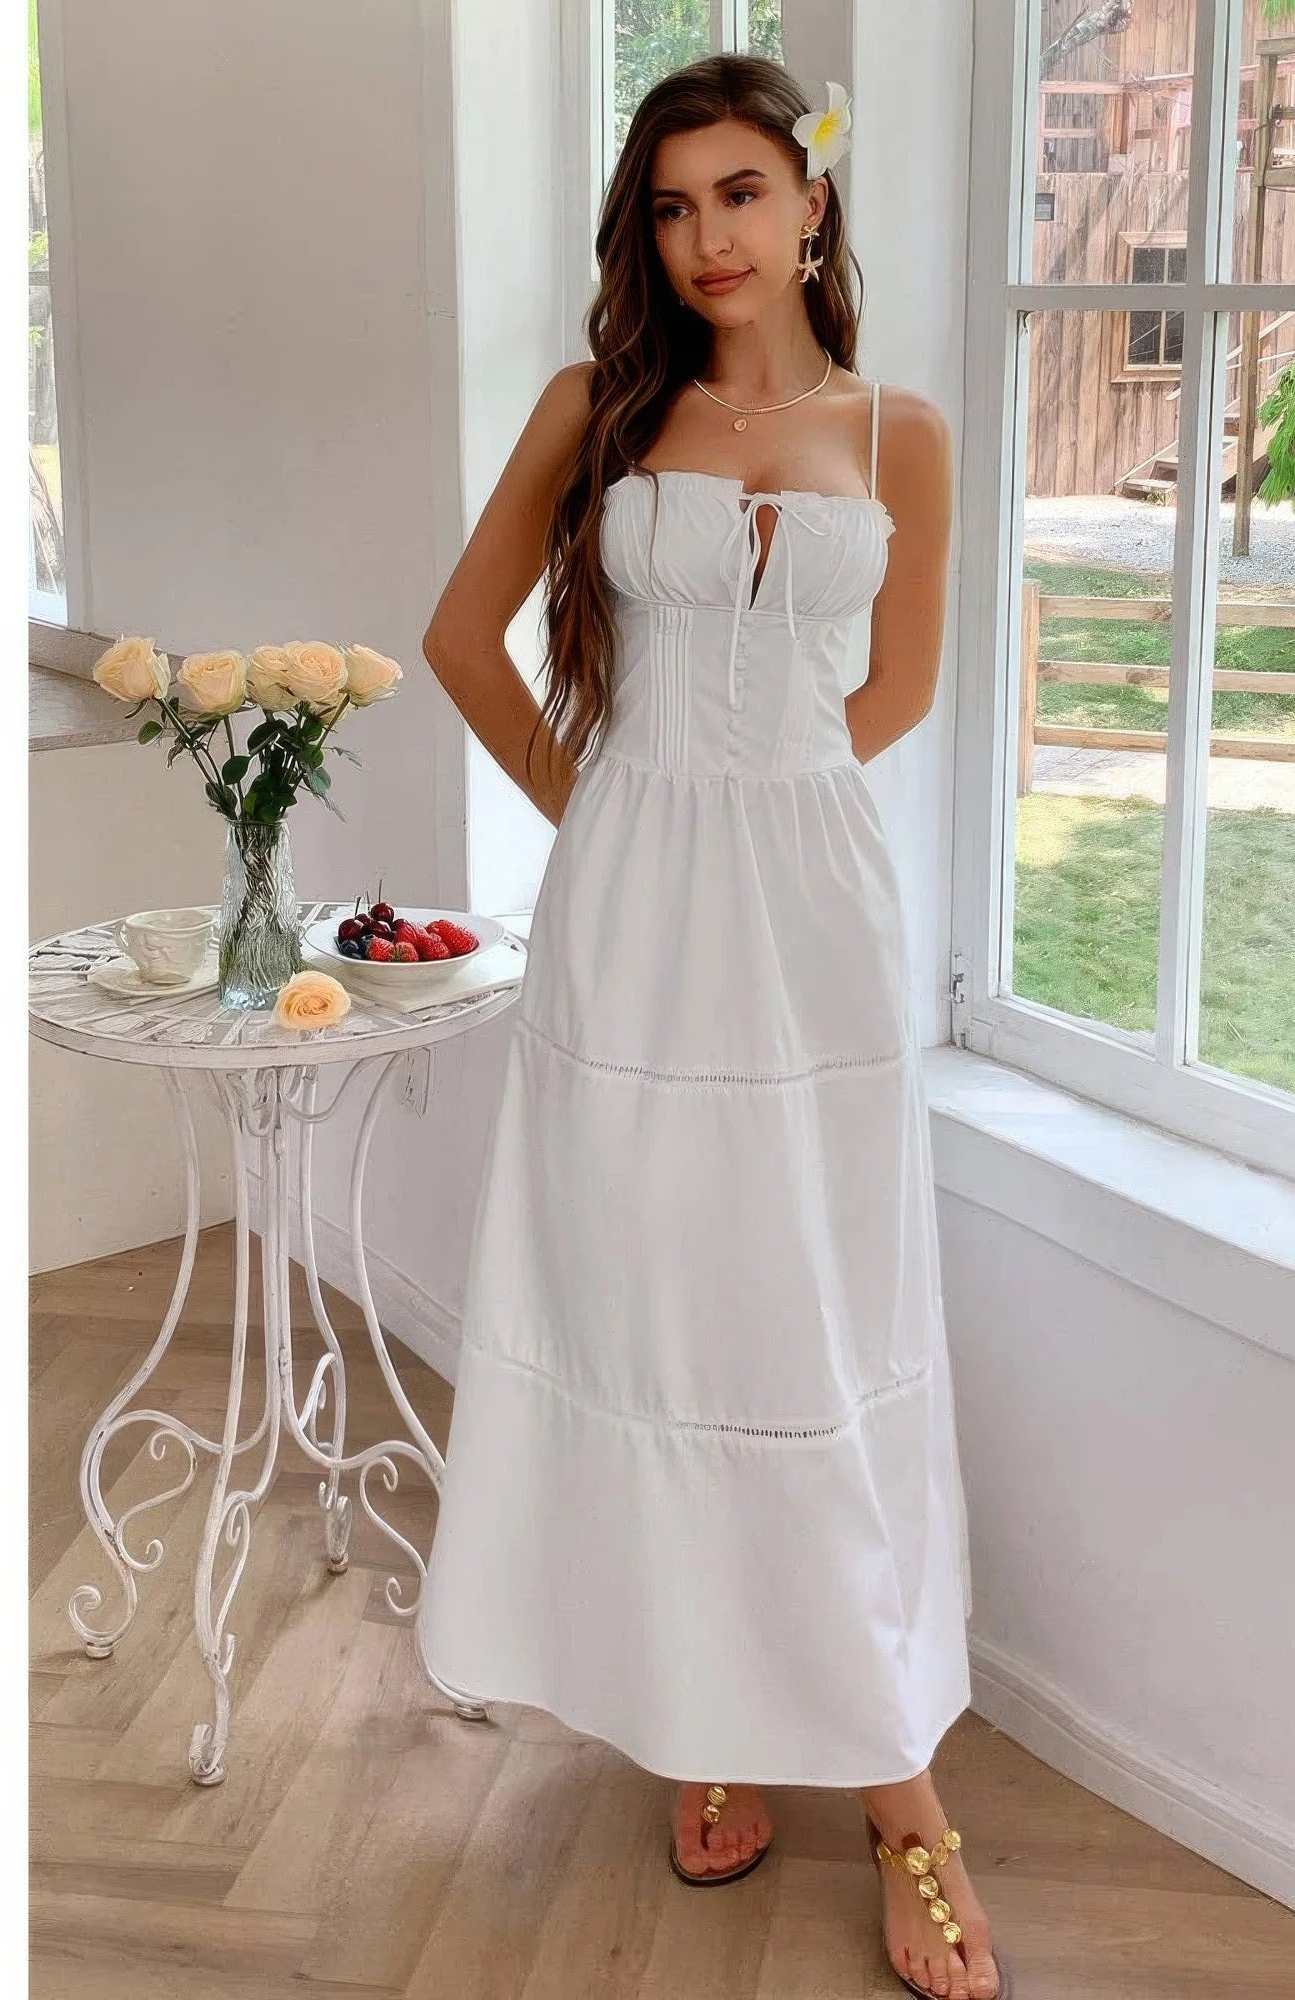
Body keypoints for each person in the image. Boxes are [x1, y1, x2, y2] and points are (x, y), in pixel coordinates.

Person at [414, 54, 1009, 2000]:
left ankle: (905, 1800)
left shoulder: (898, 429)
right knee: (658, 1304)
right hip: (633, 922)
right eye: (670, 207)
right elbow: (458, 634)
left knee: (821, 1324)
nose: (706, 239)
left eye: (740, 193)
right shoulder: (598, 407)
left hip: (812, 923)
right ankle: (707, 1710)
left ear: (812, 205)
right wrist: (610, 803)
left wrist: (762, 811)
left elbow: (899, 683)